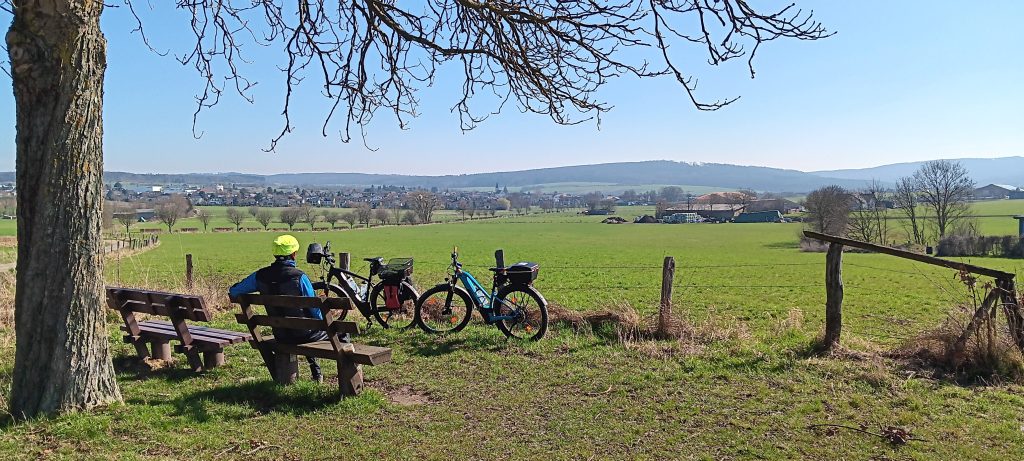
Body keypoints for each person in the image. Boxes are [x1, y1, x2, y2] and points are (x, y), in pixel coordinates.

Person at [229, 234, 327, 382]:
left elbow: (234, 291)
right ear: (293, 254)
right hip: (304, 334)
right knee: (341, 333)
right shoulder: (300, 277)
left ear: (275, 254)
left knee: (301, 324)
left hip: (281, 335)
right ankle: (324, 374)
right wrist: (322, 322)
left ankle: (316, 373)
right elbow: (314, 309)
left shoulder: (260, 276)